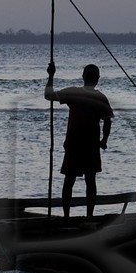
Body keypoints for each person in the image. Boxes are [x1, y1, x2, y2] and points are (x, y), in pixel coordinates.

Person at [43, 63, 113, 217]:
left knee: (73, 180)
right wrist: (104, 140)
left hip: (79, 144)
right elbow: (108, 121)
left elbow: (48, 95)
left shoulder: (77, 93)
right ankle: (86, 216)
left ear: (83, 77)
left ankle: (69, 216)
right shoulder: (98, 97)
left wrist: (51, 76)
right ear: (98, 79)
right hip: (83, 145)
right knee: (86, 181)